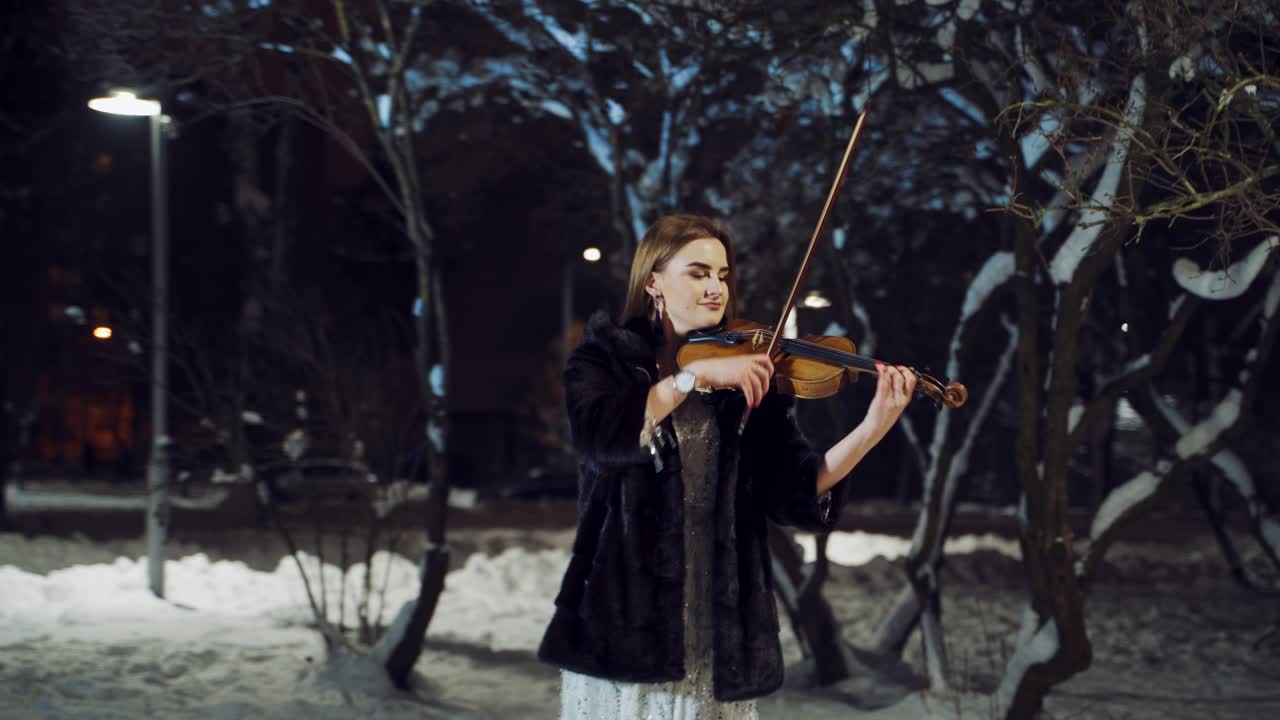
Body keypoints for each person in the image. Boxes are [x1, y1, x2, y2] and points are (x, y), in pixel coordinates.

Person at [538, 214, 916, 719]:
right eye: (698, 273)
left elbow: (794, 492)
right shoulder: (605, 359)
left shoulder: (749, 372)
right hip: (625, 622)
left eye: (721, 274)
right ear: (654, 280)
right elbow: (601, 438)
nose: (716, 287)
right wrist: (690, 378)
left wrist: (872, 429)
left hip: (715, 625)